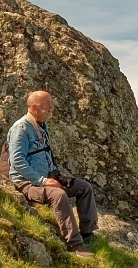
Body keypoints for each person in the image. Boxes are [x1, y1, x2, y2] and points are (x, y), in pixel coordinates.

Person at [6, 91, 99, 258]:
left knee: (84, 187)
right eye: (47, 103)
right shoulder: (21, 128)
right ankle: (75, 244)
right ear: (34, 107)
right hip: (26, 183)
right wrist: (42, 181)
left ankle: (87, 234)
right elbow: (17, 161)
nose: (52, 106)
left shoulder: (40, 125)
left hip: (47, 177)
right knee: (58, 195)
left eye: (51, 102)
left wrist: (55, 175)